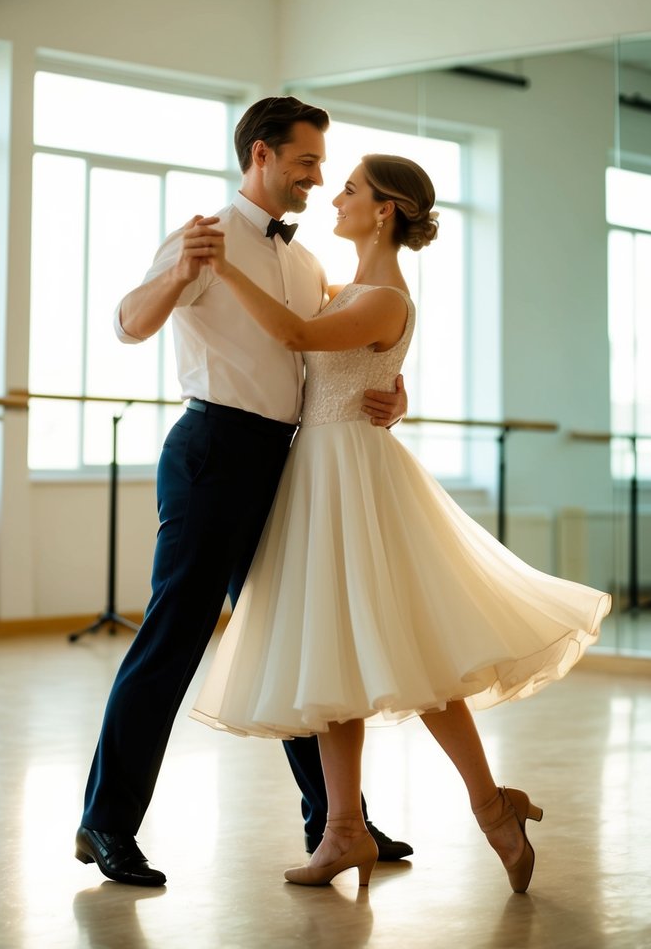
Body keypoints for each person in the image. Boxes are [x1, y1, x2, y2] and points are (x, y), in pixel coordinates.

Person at [190, 153, 612, 894]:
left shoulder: (384, 294)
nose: (335, 197)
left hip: (351, 477)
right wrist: (391, 388)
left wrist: (222, 267)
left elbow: (295, 336)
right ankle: (343, 832)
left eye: (349, 189)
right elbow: (340, 355)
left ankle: (490, 807)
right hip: (319, 472)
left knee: (410, 656)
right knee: (332, 656)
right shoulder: (347, 285)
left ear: (383, 211)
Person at [75, 99, 412, 888]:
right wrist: (181, 272)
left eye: (324, 167)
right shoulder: (205, 236)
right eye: (306, 163)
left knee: (298, 639)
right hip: (212, 451)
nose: (317, 178)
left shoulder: (303, 264)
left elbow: (340, 352)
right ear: (261, 155)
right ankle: (105, 823)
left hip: (284, 458)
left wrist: (394, 397)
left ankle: (336, 826)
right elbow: (127, 323)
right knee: (174, 640)